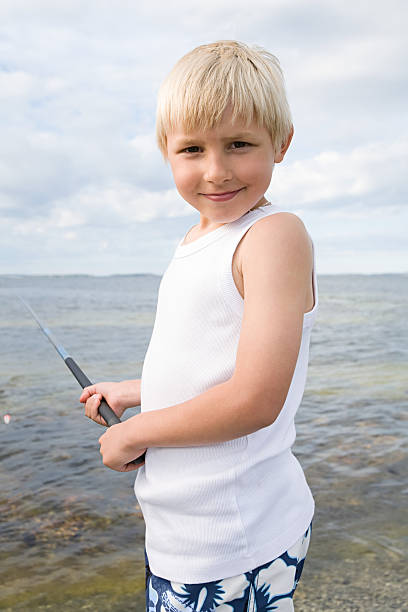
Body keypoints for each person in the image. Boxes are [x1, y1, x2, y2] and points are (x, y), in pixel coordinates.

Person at [80, 40, 318, 612]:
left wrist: (135, 433)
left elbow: (256, 397)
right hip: (183, 532)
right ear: (166, 151)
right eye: (192, 149)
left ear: (281, 142)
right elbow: (214, 361)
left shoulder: (273, 237)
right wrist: (138, 394)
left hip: (230, 540)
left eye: (239, 144)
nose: (215, 171)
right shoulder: (198, 240)